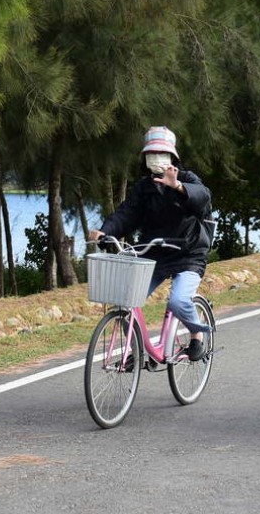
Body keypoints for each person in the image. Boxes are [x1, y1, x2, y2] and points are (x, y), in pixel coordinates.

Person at [88, 126, 214, 361]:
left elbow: (202, 197)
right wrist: (105, 231)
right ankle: (136, 351)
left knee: (178, 301)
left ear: (172, 157)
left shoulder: (186, 179)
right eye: (151, 154)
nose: (156, 158)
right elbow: (127, 214)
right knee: (124, 300)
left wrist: (177, 186)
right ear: (145, 159)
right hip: (153, 255)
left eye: (161, 154)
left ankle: (197, 333)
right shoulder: (143, 189)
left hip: (188, 254)